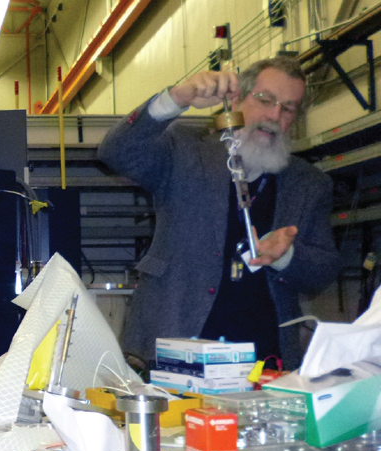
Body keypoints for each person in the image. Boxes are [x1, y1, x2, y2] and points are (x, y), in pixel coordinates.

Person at [97, 57, 341, 368]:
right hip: (173, 346)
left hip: (265, 358)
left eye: (288, 108)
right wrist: (175, 99)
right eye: (265, 99)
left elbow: (324, 269)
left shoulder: (309, 183)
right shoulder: (184, 151)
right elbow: (116, 152)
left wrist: (287, 256)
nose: (274, 115)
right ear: (238, 98)